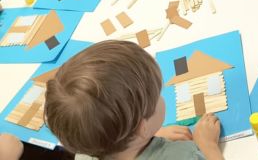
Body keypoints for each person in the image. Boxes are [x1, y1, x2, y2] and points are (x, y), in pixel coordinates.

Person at [44, 40, 224, 160]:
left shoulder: (84, 154)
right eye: (157, 96)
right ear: (142, 129)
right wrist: (207, 146)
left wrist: (143, 138)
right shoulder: (183, 155)